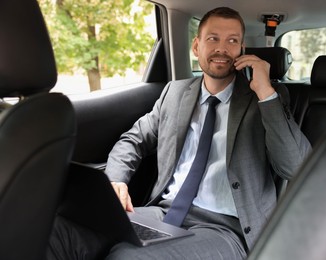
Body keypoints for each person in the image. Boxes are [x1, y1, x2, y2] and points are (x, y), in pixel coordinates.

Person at [47, 6, 311, 260]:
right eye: (213, 38)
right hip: (164, 214)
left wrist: (266, 91)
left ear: (242, 50)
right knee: (59, 231)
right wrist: (116, 180)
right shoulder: (174, 92)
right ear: (196, 46)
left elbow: (296, 167)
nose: (222, 48)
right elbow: (134, 140)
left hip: (228, 229)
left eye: (232, 41)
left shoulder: (265, 99)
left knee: (128, 257)